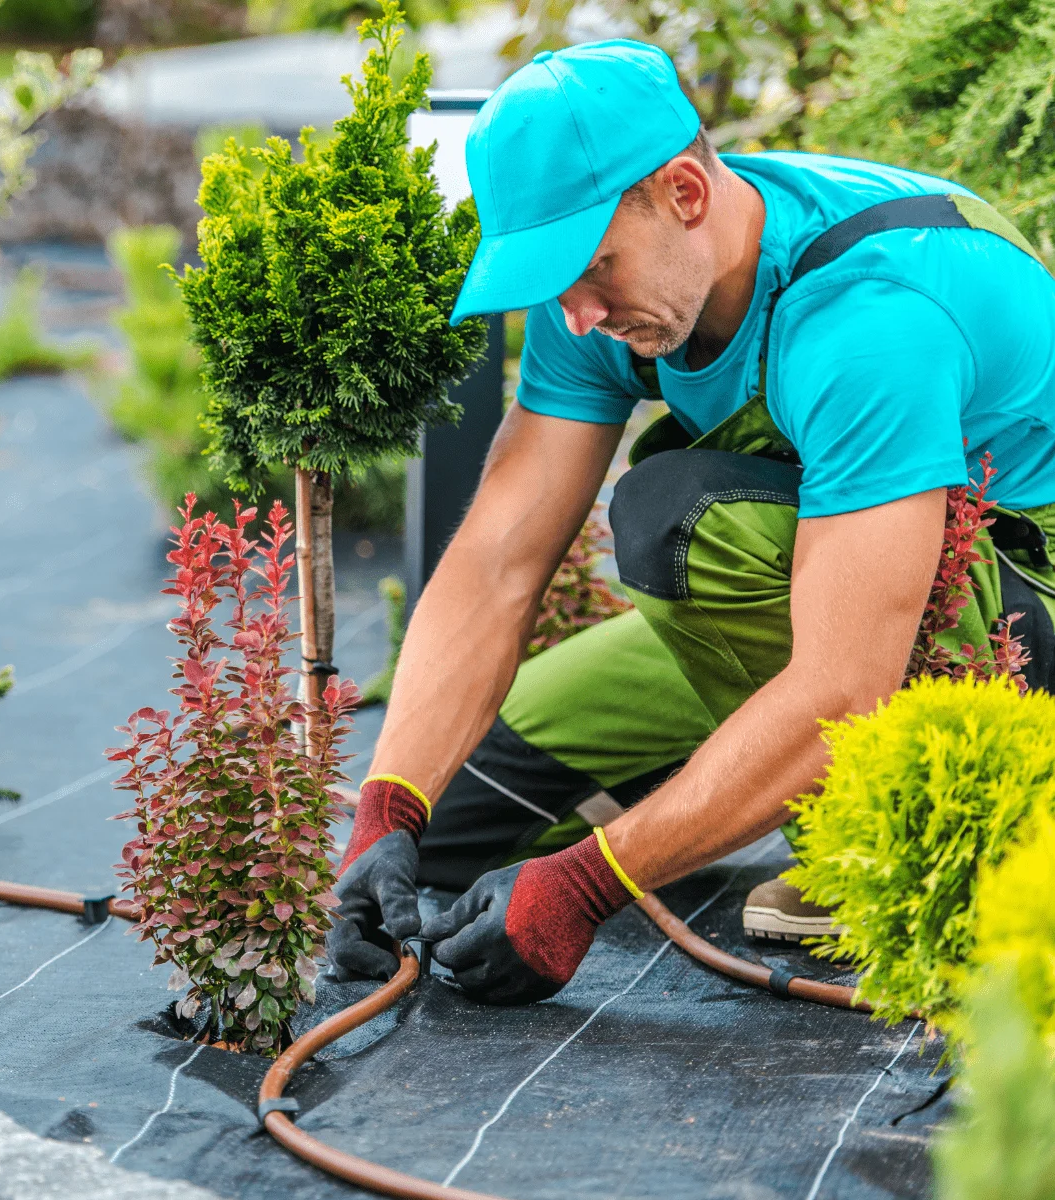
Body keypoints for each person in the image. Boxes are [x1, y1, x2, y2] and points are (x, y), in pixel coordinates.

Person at [329, 40, 1055, 1004]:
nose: (577, 313)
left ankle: (876, 853)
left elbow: (844, 684)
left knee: (678, 520)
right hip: (831, 590)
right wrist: (387, 811)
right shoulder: (615, 294)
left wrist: (590, 885)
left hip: (1008, 628)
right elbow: (498, 562)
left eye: (592, 268)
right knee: (452, 821)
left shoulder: (867, 315)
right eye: (553, 280)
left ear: (683, 192)